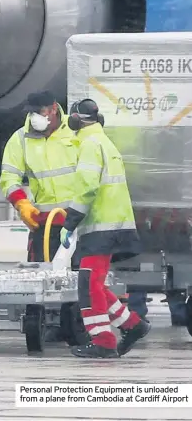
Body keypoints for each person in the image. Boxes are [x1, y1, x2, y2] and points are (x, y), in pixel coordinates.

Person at [60, 98, 151, 358]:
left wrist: (70, 221)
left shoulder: (89, 144)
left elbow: (87, 187)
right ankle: (133, 325)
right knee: (96, 285)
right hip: (112, 225)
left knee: (88, 286)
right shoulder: (104, 142)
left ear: (76, 119)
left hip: (101, 227)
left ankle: (104, 341)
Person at [0, 90, 80, 342]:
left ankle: (76, 326)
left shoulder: (76, 132)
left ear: (54, 108)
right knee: (42, 276)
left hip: (79, 219)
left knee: (78, 276)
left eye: (40, 111)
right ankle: (46, 323)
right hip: (44, 222)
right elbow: (9, 177)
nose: (35, 117)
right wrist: (22, 204)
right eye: (32, 112)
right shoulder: (21, 138)